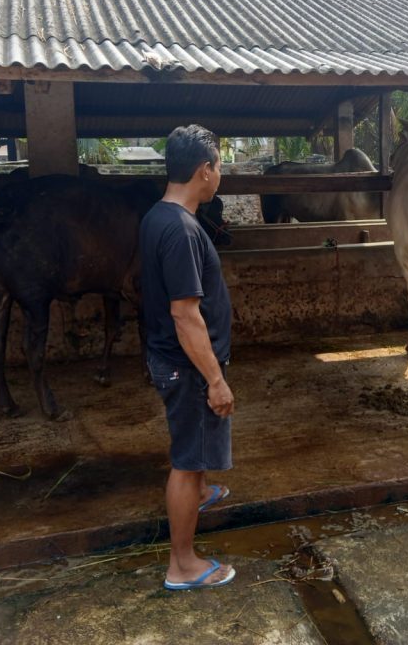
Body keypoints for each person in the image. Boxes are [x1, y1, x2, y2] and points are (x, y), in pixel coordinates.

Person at [139, 124, 236, 591]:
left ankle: (199, 490)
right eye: (219, 166)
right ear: (204, 170)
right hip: (188, 365)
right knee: (188, 457)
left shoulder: (158, 216)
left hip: (172, 359)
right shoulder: (179, 230)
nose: (221, 174)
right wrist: (215, 380)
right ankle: (183, 565)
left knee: (191, 452)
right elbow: (185, 315)